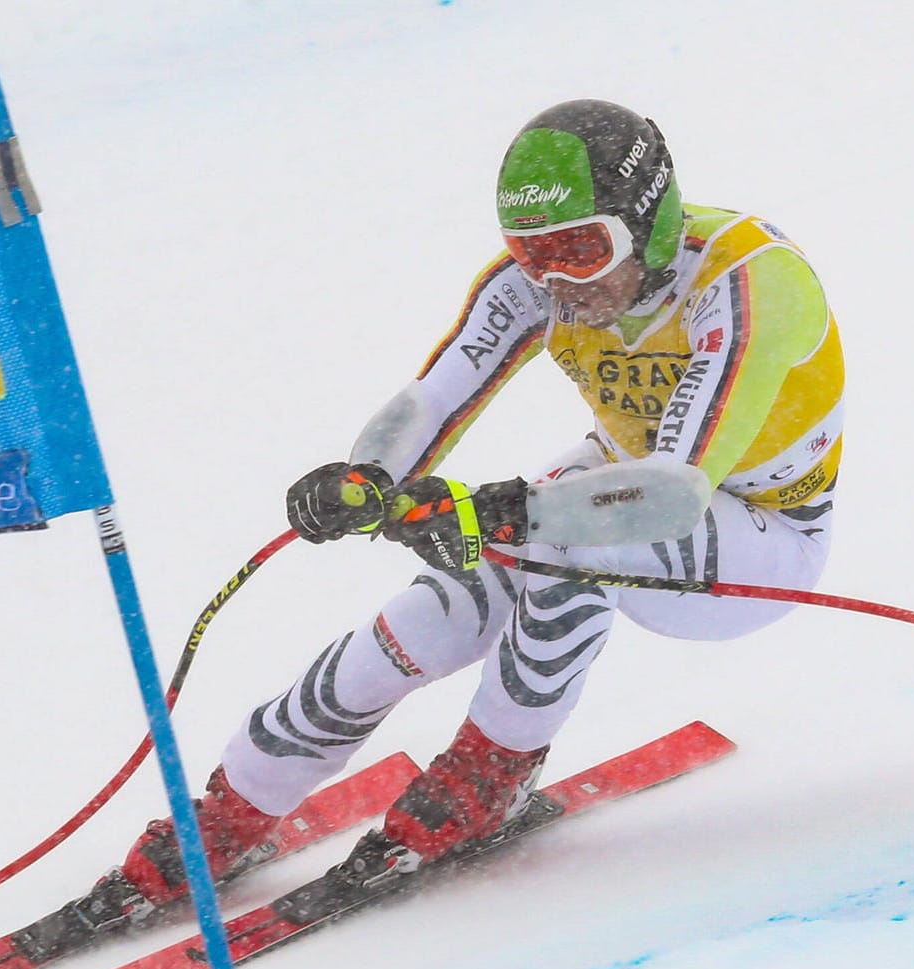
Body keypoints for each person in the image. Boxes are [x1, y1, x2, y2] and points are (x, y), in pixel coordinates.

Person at [100, 98, 843, 921]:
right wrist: (366, 478)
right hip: (617, 483)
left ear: (649, 218)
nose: (559, 280)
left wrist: (500, 512)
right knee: (452, 597)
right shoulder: (540, 286)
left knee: (563, 547)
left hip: (760, 535)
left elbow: (670, 492)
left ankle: (489, 774)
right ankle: (237, 803)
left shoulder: (748, 281)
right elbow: (430, 401)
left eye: (581, 248)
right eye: (532, 254)